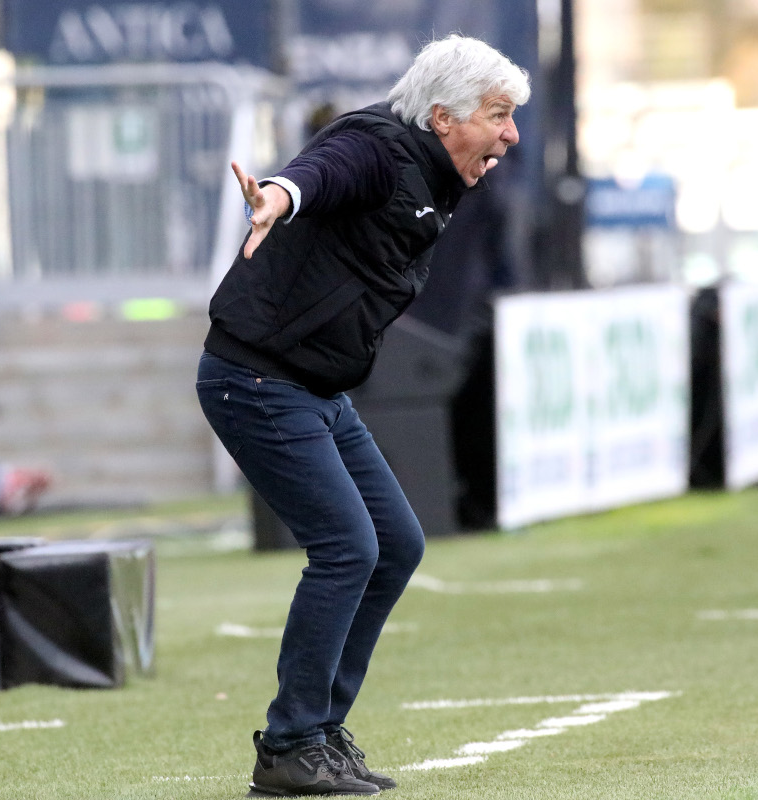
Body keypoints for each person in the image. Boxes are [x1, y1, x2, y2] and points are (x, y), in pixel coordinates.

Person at [196, 35, 529, 796]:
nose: (511, 135)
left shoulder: (437, 168)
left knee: (398, 545)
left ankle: (317, 733)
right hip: (254, 379)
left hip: (315, 389)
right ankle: (290, 742)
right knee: (347, 546)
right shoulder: (376, 144)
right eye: (499, 116)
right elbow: (318, 172)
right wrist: (276, 195)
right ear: (443, 118)